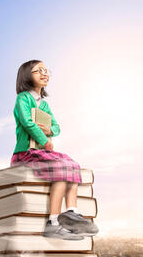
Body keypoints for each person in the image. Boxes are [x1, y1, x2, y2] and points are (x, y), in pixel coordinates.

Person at [10, 59, 98, 240]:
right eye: (37, 71)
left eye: (45, 70)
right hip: (26, 153)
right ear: (27, 76)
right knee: (60, 168)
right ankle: (53, 222)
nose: (44, 73)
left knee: (72, 164)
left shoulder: (44, 104)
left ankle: (72, 211)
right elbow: (27, 122)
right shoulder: (23, 99)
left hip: (42, 152)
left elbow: (57, 127)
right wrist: (45, 140)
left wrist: (50, 130)